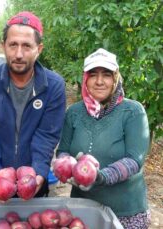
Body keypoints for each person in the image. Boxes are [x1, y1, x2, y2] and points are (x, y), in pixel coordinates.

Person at [0, 11, 66, 200]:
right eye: (13, 45)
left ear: (39, 49)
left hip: (33, 179)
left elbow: (47, 136)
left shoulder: (54, 86)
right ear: (3, 46)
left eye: (27, 46)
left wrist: (39, 172)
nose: (19, 54)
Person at [56, 48, 150, 228]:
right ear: (85, 79)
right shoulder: (74, 113)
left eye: (106, 75)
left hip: (125, 211)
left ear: (116, 78)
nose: (99, 81)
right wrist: (64, 166)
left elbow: (134, 160)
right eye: (93, 75)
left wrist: (101, 177)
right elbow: (63, 151)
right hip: (83, 209)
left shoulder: (133, 111)